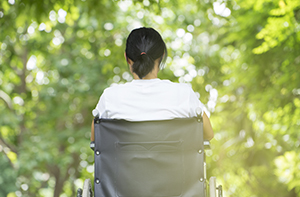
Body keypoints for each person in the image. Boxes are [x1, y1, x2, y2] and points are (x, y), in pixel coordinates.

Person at [91, 27, 214, 141]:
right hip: (173, 165)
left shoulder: (110, 97)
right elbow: (208, 135)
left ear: (127, 58)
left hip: (124, 165)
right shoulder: (183, 94)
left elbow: (95, 140)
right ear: (162, 57)